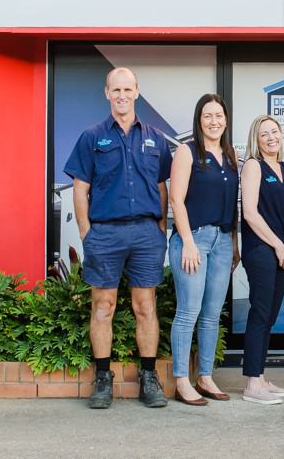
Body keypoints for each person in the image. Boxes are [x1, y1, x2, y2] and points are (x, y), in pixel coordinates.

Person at [63, 67, 172, 409]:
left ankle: (149, 378)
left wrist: (160, 228)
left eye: (127, 89)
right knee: (103, 307)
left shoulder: (155, 138)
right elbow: (80, 188)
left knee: (145, 306)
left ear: (137, 92)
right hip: (105, 233)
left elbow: (162, 187)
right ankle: (102, 379)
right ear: (106, 93)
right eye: (116, 90)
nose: (122, 95)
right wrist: (86, 232)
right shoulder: (92, 137)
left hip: (146, 233)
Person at [167, 94, 240, 406]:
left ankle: (205, 377)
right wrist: (187, 241)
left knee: (211, 314)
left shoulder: (230, 155)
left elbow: (232, 204)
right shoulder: (187, 152)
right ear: (199, 120)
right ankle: (182, 381)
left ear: (226, 119)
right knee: (188, 312)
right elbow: (176, 199)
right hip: (193, 239)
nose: (214, 121)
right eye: (208, 115)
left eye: (219, 115)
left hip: (222, 241)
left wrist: (234, 243)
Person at [240, 114, 284, 405]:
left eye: (275, 131)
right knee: (261, 313)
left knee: (270, 316)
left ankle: (260, 377)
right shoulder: (253, 165)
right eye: (265, 134)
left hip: (282, 249)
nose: (271, 137)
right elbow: (250, 213)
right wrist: (278, 246)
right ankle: (252, 383)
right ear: (257, 139)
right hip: (261, 249)